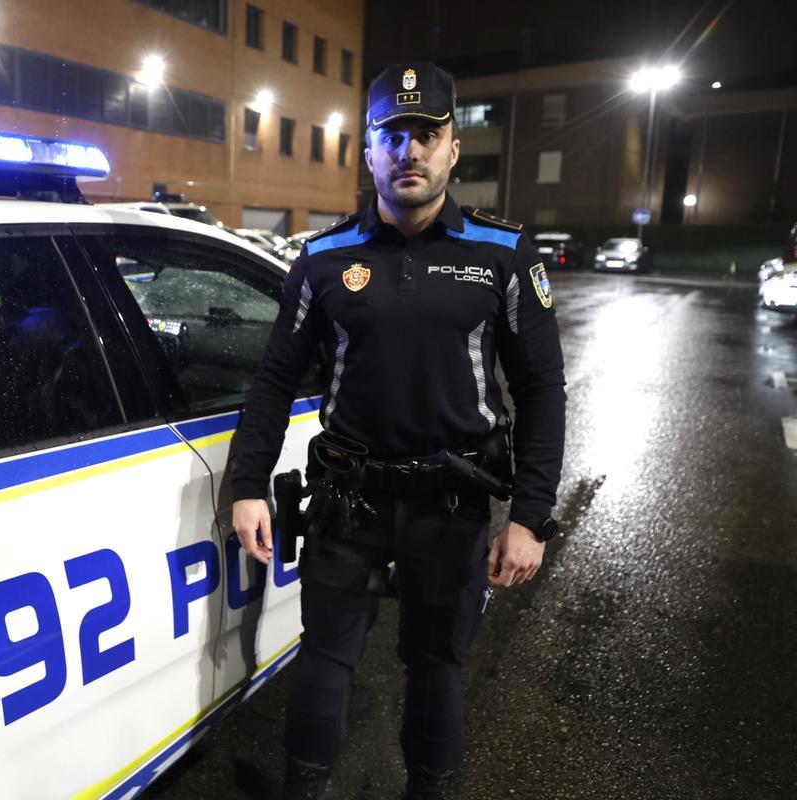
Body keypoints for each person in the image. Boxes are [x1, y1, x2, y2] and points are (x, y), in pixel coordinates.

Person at [230, 62, 566, 800]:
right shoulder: (322, 259)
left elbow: (542, 391)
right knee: (325, 657)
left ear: (452, 149)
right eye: (394, 135)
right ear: (370, 152)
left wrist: (531, 519)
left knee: (436, 665)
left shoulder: (503, 256)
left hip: (453, 507)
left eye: (428, 134)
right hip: (348, 501)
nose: (410, 151)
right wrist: (246, 483)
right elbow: (273, 381)